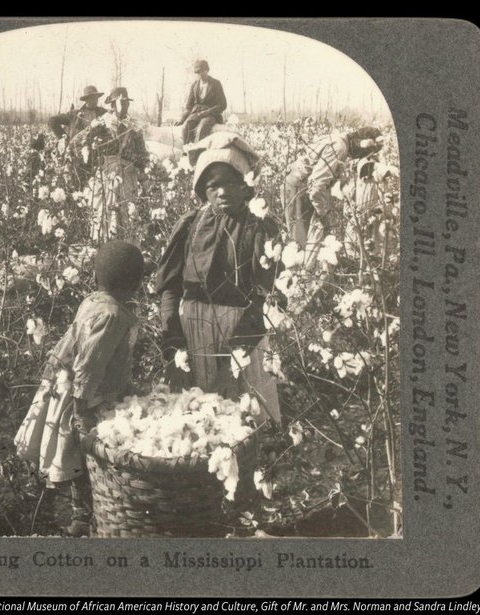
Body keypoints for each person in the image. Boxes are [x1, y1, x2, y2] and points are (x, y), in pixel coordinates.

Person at [14, 240, 144, 537]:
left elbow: (72, 345)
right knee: (88, 456)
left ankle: (84, 514)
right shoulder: (113, 316)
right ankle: (89, 516)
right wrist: (82, 409)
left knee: (79, 457)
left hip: (73, 387)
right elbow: (91, 364)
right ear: (134, 284)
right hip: (89, 396)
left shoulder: (92, 302)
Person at [156, 133, 281, 423]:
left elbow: (267, 300)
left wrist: (233, 361)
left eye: (230, 182)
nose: (222, 191)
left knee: (243, 422)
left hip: (243, 338)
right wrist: (174, 349)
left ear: (246, 185)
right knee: (198, 423)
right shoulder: (190, 225)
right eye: (213, 185)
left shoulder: (261, 228)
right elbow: (170, 288)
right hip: (192, 339)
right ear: (202, 190)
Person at [280, 126, 384, 249]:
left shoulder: (338, 138)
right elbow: (316, 186)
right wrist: (324, 215)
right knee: (300, 246)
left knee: (302, 241)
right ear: (360, 145)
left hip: (295, 186)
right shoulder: (340, 148)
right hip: (299, 191)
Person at [70, 87, 150, 242]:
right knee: (105, 214)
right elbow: (76, 143)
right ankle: (104, 250)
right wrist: (91, 157)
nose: (124, 106)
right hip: (107, 175)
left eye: (127, 103)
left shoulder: (134, 127)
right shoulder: (102, 123)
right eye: (121, 103)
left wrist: (142, 171)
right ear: (112, 105)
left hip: (128, 176)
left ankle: (127, 250)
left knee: (127, 214)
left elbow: (142, 155)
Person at [177, 60, 226, 145]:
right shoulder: (195, 85)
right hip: (196, 113)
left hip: (211, 114)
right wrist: (182, 119)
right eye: (198, 73)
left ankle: (198, 152)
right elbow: (189, 106)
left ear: (207, 70)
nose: (200, 75)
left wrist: (207, 112)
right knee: (185, 127)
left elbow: (223, 104)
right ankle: (187, 151)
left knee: (202, 129)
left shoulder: (215, 84)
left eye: (202, 72)